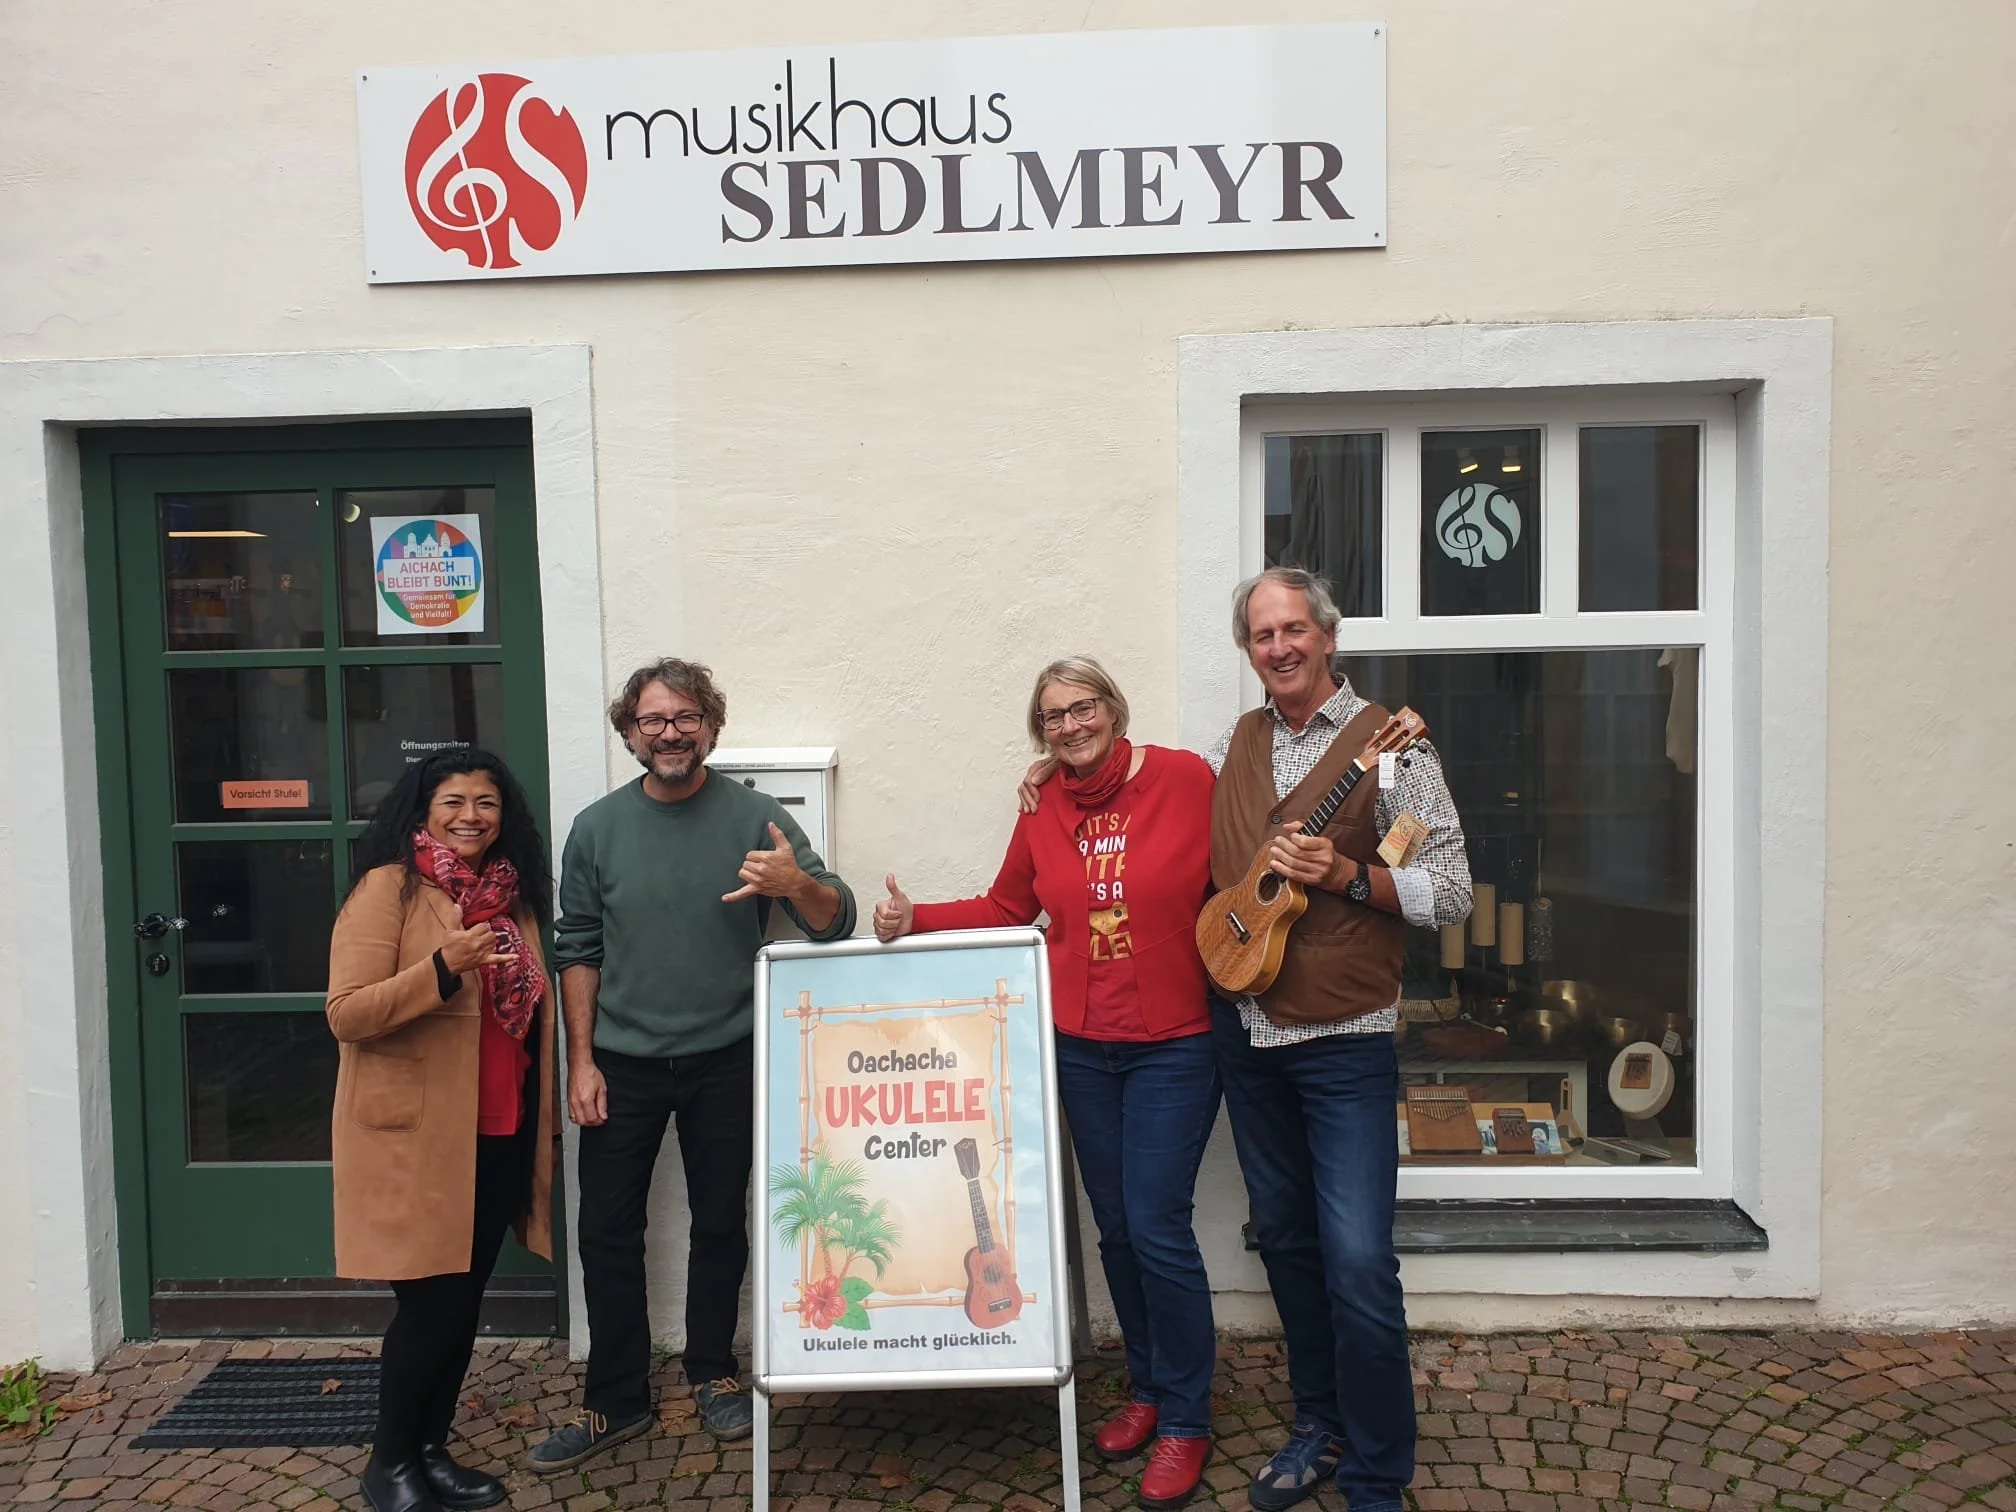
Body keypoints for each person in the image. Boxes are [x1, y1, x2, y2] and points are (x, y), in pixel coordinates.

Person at [876, 656, 1222, 1511]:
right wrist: (911, 916)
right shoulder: (1043, 806)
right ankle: (1146, 1390)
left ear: (1113, 706)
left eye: (1082, 707)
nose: (1069, 726)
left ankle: (1188, 1417)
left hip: (1176, 1042)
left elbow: (1241, 869)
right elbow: (1007, 907)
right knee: (1116, 1230)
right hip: (1080, 1047)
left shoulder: (1186, 780)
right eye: (1052, 717)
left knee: (1158, 1225)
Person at [529, 659, 857, 1472]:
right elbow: (576, 947)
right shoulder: (596, 828)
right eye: (652, 720)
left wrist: (794, 885)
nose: (668, 732)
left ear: (711, 725)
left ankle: (713, 1373)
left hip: (729, 1058)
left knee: (721, 1223)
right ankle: (615, 1401)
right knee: (606, 1231)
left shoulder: (753, 819)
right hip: (622, 1063)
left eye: (684, 717)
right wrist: (581, 1061)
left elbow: (833, 920)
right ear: (629, 732)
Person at [1206, 567, 1471, 1512]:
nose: (1276, 649)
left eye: (1291, 631)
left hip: (1347, 1039)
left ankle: (1375, 1472)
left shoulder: (1391, 751)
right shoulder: (1235, 743)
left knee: (1357, 1256)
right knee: (1285, 1240)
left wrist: (1351, 874)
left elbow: (1452, 892)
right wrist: (1055, 767)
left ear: (1327, 635)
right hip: (1247, 1034)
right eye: (1259, 637)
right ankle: (1316, 1424)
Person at [326, 749, 559, 1512]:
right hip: (415, 1138)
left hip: (498, 1128)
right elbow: (348, 1012)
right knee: (428, 1307)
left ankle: (431, 1449)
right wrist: (442, 967)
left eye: (486, 802)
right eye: (453, 800)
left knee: (462, 1305)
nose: (470, 816)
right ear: (422, 810)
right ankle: (388, 1463)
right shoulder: (388, 890)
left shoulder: (513, 899)